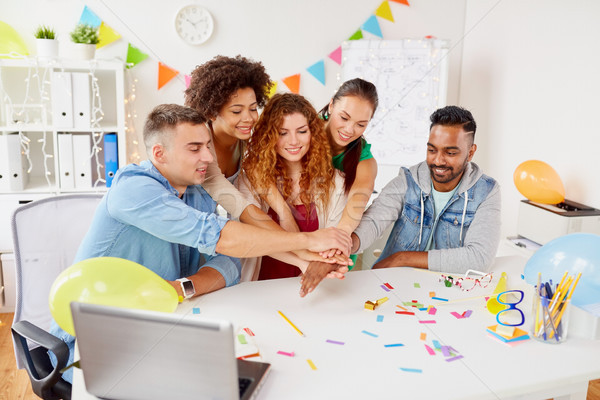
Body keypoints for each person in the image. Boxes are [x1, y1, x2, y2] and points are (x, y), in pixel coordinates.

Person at [50, 104, 352, 382]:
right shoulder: (133, 190)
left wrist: (185, 287)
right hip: (93, 344)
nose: (208, 157)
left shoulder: (196, 191)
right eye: (195, 148)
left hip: (162, 328)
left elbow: (229, 260)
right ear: (159, 153)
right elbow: (221, 237)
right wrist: (309, 240)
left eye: (207, 146)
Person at [184, 55, 349, 268]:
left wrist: (282, 209)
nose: (249, 118)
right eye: (237, 111)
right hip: (184, 226)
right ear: (212, 111)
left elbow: (255, 163)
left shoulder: (241, 138)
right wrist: (301, 246)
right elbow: (241, 207)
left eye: (253, 108)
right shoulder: (201, 147)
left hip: (207, 231)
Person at [351, 106, 501, 273]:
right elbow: (374, 220)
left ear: (471, 152)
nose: (438, 160)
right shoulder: (407, 180)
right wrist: (346, 246)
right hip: (396, 282)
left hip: (446, 289)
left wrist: (402, 258)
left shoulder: (486, 191)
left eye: (450, 153)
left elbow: (479, 258)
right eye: (431, 150)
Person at [266, 78, 379, 281]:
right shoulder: (301, 133)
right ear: (332, 104)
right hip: (288, 237)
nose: (349, 130)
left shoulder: (364, 161)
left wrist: (338, 240)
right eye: (344, 118)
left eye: (361, 124)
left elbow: (358, 201)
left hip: (331, 244)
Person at [237, 93, 347, 283]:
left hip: (313, 285)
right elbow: (254, 240)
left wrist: (314, 266)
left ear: (313, 132)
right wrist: (303, 261)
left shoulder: (336, 181)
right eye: (283, 133)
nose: (294, 141)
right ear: (269, 136)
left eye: (302, 131)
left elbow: (333, 242)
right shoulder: (249, 180)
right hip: (258, 288)